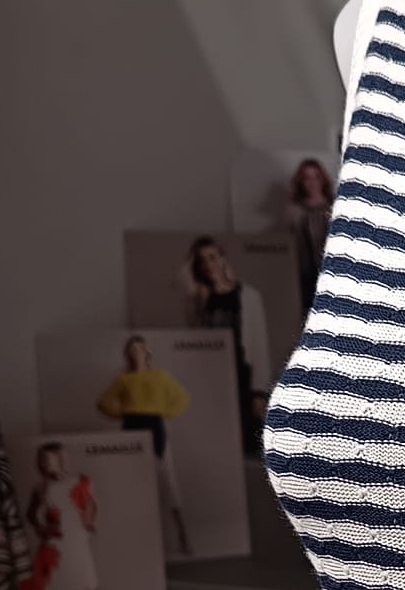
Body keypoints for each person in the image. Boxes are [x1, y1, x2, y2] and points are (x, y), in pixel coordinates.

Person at [7, 441, 118, 590]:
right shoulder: (40, 487)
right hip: (53, 549)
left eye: (55, 459)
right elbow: (30, 514)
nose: (50, 464)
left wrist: (92, 525)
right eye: (44, 460)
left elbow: (94, 506)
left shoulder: (81, 481)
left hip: (78, 546)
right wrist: (41, 528)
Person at [96, 334, 193, 556]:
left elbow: (182, 399)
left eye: (139, 349)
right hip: (132, 427)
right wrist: (123, 414)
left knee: (167, 480)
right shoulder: (123, 379)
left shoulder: (160, 376)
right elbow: (102, 402)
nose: (136, 353)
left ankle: (183, 535)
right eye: (132, 350)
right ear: (127, 354)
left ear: (147, 352)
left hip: (154, 426)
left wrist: (162, 414)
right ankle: (134, 538)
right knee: (132, 481)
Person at [182, 236, 272, 456]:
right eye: (201, 260)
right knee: (219, 443)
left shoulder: (248, 296)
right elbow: (192, 344)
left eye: (212, 257)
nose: (208, 264)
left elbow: (259, 343)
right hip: (211, 378)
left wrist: (259, 391)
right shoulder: (198, 299)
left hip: (242, 374)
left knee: (250, 444)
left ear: (223, 259)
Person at [286, 156, 335, 310]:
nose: (312, 182)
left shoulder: (336, 206)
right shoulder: (294, 210)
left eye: (316, 177)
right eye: (307, 178)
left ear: (322, 180)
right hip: (305, 272)